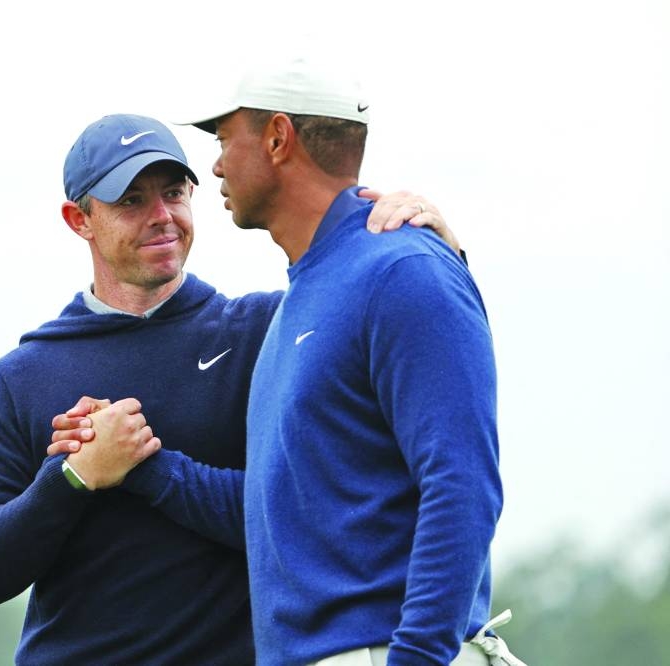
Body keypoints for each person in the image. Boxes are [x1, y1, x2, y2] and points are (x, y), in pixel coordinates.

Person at [0, 113, 461, 665]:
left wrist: (444, 255)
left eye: (173, 193)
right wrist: (74, 475)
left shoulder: (268, 331)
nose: (161, 217)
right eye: (131, 201)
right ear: (80, 220)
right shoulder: (21, 378)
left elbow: (310, 513)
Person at [165, 54, 525, 666]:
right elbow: (278, 505)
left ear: (278, 138)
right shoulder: (307, 296)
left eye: (226, 139)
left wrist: (414, 659)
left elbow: (462, 483)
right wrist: (145, 469)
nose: (217, 165)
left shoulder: (402, 270)